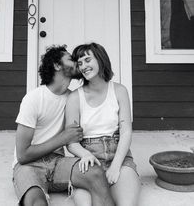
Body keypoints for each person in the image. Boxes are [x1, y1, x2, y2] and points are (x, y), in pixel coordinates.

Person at [12, 45, 115, 206]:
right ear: (57, 65)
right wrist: (63, 138)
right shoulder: (34, 99)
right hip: (29, 166)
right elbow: (22, 155)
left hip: (59, 163)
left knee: (95, 172)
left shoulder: (73, 98)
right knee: (37, 203)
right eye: (71, 59)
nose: (78, 63)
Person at [65, 42, 141, 206]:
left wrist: (116, 166)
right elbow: (71, 142)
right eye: (80, 63)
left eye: (87, 60)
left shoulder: (119, 91)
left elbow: (126, 131)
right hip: (88, 159)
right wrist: (85, 154)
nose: (83, 66)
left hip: (119, 156)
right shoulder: (74, 98)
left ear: (100, 60)